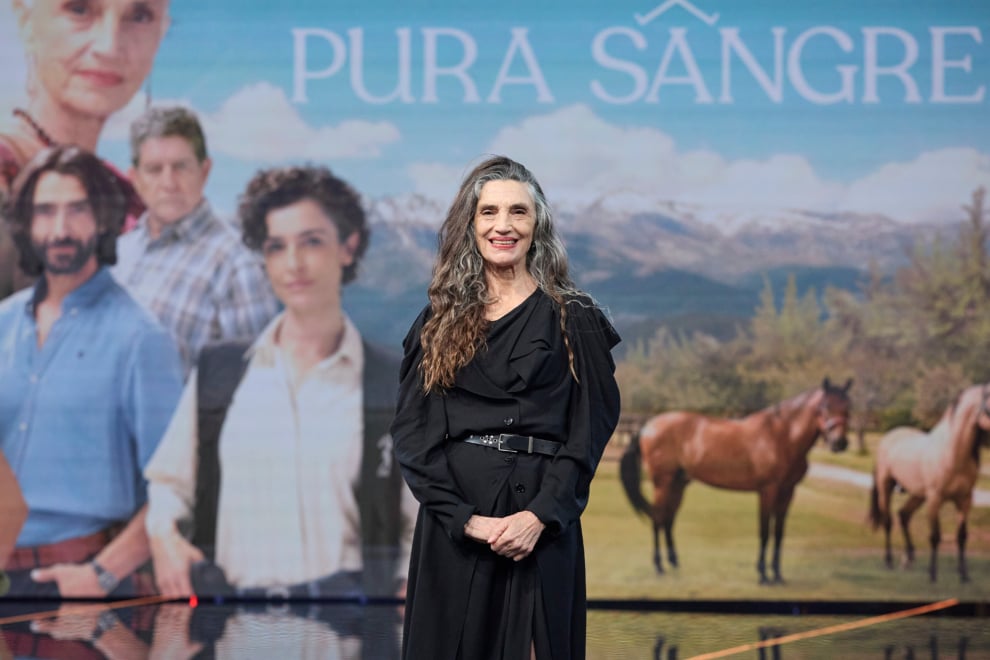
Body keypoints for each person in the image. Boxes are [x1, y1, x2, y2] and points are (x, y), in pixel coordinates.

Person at [144, 165, 416, 606]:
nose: (294, 263)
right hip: (232, 633)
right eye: (276, 247)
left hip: (349, 635)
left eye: (312, 241)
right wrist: (164, 535)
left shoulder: (391, 382)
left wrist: (406, 591)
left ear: (348, 247)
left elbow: (419, 521)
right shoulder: (221, 373)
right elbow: (168, 483)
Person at [390, 155, 622, 659]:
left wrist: (541, 515)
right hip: (457, 528)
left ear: (537, 224)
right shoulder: (437, 321)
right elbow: (412, 437)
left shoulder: (573, 316)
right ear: (470, 225)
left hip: (541, 524)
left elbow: (589, 430)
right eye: (489, 212)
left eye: (517, 211)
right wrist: (467, 520)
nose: (503, 225)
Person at [0, 145, 183, 598]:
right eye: (45, 212)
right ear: (26, 223)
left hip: (80, 584)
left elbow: (176, 489)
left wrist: (100, 575)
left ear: (103, 219)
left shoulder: (141, 338)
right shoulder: (2, 323)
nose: (60, 229)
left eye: (76, 210)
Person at [0, 0, 170, 299]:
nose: (109, 46)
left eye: (140, 16)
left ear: (161, 34)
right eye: (79, 9)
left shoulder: (134, 203)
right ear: (26, 21)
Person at [114, 106, 279, 375]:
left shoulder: (237, 263)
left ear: (205, 171)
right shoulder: (121, 251)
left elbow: (256, 384)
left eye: (181, 167)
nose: (169, 182)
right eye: (155, 169)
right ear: (135, 179)